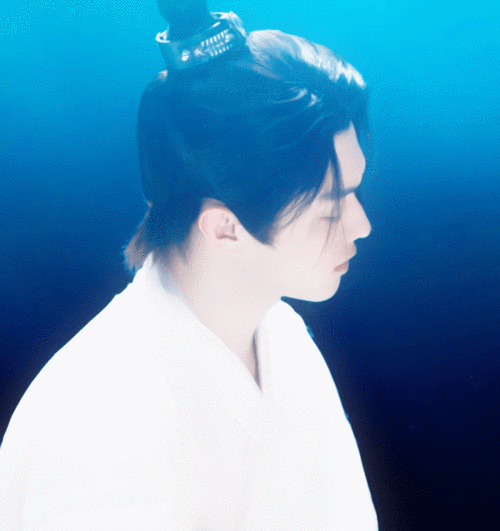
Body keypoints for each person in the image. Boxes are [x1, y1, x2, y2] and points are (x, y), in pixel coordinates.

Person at [0, 3, 378, 529]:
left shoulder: (282, 337)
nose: (362, 226)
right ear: (225, 228)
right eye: (331, 209)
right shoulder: (94, 424)